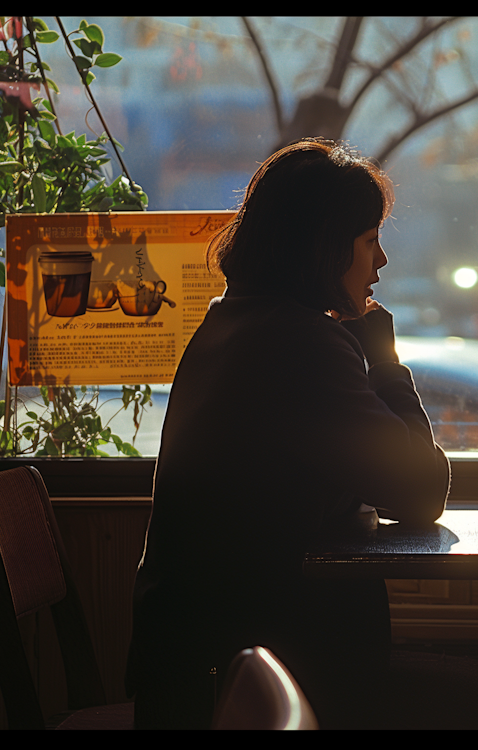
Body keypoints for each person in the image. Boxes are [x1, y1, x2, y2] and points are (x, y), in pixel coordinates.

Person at [126, 139, 450, 729]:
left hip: (188, 648)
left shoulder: (234, 318)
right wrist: (381, 353)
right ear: (327, 247)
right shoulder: (300, 344)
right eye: (370, 240)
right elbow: (422, 490)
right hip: (238, 663)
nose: (381, 263)